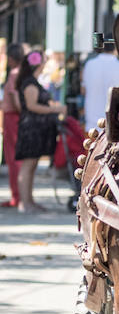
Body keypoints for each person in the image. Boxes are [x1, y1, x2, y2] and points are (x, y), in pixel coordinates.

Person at [15, 50, 66, 213]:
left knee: (32, 165)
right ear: (38, 63)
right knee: (28, 165)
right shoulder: (30, 83)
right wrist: (55, 109)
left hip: (36, 129)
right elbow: (31, 106)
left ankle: (29, 201)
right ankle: (24, 203)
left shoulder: (33, 82)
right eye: (44, 61)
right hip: (31, 129)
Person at [81, 42, 119, 132]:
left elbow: (83, 91)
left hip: (91, 127)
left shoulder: (89, 65)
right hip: (113, 127)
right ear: (116, 48)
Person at [1, 43, 24, 208]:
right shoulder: (19, 73)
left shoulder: (15, 74)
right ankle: (17, 195)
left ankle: (17, 196)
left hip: (13, 118)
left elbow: (16, 99)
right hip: (13, 117)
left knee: (13, 158)